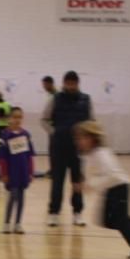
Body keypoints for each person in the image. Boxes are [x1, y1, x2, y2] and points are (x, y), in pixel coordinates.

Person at [75, 121, 130, 259]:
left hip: (120, 186)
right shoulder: (89, 155)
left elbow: (112, 175)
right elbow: (92, 175)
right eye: (78, 139)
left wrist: (91, 185)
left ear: (92, 138)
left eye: (82, 138)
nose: (79, 141)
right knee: (106, 220)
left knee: (120, 221)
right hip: (111, 189)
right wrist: (87, 184)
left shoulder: (102, 153)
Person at [45, 71, 92, 227]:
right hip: (58, 148)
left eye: (73, 83)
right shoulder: (55, 99)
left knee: (77, 181)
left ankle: (77, 213)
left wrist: (88, 141)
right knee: (57, 181)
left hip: (78, 150)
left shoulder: (86, 100)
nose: (71, 86)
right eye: (68, 83)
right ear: (64, 83)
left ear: (78, 84)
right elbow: (44, 119)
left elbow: (91, 122)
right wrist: (55, 132)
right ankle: (54, 213)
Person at [0, 107, 35, 234]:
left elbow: (30, 156)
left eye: (20, 117)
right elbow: (2, 157)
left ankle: (18, 223)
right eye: (15, 117)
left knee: (21, 197)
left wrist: (30, 172)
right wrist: (4, 173)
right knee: (12, 196)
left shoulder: (26, 135)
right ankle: (6, 223)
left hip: (23, 171)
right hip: (11, 172)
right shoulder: (5, 135)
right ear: (9, 119)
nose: (17, 120)